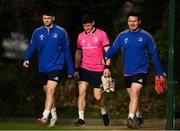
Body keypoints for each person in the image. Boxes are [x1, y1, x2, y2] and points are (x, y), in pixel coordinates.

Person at [103, 12, 166, 128]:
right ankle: (139, 114)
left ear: (139, 22)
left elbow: (155, 55)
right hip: (127, 70)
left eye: (135, 21)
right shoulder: (122, 36)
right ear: (128, 22)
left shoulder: (146, 36)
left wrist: (160, 73)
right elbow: (114, 48)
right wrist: (105, 56)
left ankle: (130, 118)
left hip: (141, 69)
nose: (132, 23)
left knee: (135, 91)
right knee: (133, 95)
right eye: (130, 21)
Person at [23, 10, 74, 127]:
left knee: (50, 91)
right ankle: (55, 118)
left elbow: (67, 52)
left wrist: (71, 70)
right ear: (42, 18)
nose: (46, 20)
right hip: (43, 67)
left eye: (48, 18)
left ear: (53, 18)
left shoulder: (61, 32)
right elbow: (32, 47)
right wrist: (27, 58)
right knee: (48, 94)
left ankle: (44, 117)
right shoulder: (37, 32)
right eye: (44, 18)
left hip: (56, 66)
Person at [74, 14, 111, 126]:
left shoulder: (101, 34)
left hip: (98, 69)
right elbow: (78, 52)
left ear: (93, 23)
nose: (87, 28)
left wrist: (107, 67)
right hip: (84, 68)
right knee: (82, 92)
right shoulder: (80, 36)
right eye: (84, 26)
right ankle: (81, 119)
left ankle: (104, 113)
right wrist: (76, 69)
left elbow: (108, 51)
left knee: (98, 96)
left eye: (88, 25)